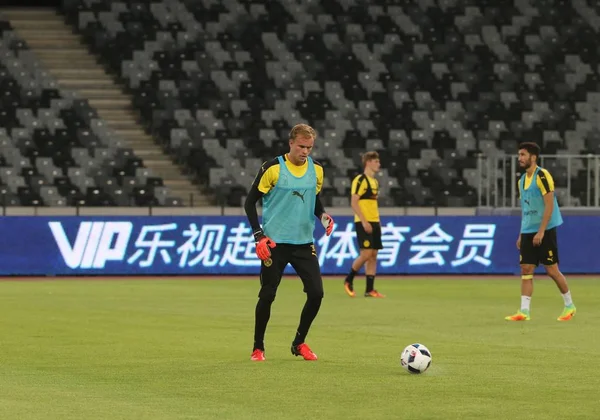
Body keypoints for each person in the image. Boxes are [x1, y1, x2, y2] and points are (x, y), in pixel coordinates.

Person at [243, 123, 335, 361]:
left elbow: (313, 200)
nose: (305, 152)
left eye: (310, 147)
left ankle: (299, 342)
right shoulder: (273, 168)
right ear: (291, 143)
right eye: (301, 146)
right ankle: (258, 347)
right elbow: (249, 202)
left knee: (316, 293)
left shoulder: (317, 170)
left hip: (304, 243)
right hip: (275, 244)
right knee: (267, 295)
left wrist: (323, 217)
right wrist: (258, 235)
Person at [505, 142, 576, 322]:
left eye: (523, 155)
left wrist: (542, 231)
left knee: (552, 270)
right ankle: (524, 311)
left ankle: (569, 305)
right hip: (529, 230)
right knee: (526, 269)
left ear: (533, 157)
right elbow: (525, 209)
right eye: (519, 155)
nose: (520, 158)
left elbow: (549, 204)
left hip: (546, 229)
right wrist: (522, 233)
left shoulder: (542, 176)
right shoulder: (521, 181)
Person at [343, 151, 385, 298]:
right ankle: (348, 280)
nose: (378, 164)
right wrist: (364, 220)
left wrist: (377, 221)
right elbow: (354, 202)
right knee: (366, 254)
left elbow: (372, 203)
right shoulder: (360, 180)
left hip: (374, 221)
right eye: (376, 161)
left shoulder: (375, 182)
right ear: (368, 162)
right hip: (364, 221)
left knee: (373, 255)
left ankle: (369, 289)